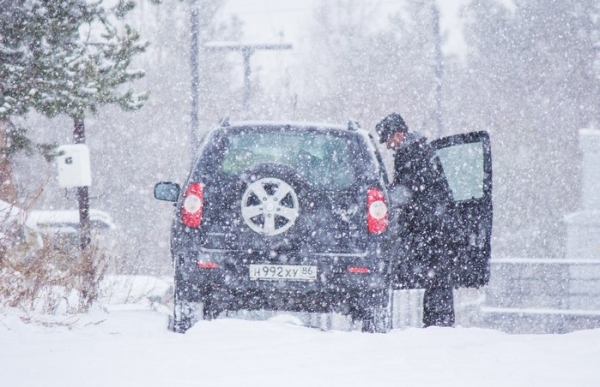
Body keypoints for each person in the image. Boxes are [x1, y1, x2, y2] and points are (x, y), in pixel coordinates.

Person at [375, 112, 455, 327]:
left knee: (436, 277)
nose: (389, 146)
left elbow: (408, 191)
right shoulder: (419, 150)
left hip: (429, 225)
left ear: (399, 134)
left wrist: (385, 198)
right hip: (432, 223)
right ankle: (438, 323)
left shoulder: (412, 154)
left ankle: (438, 324)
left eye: (389, 140)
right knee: (436, 277)